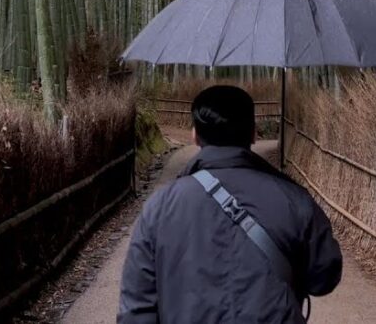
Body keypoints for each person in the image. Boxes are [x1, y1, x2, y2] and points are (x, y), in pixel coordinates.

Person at [118, 85, 343, 323]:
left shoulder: (160, 207)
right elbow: (324, 277)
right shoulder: (294, 199)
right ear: (254, 133)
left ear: (194, 135)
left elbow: (136, 308)